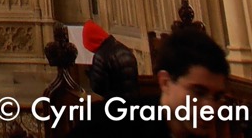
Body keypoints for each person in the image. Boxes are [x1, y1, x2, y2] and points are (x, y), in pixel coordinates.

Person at [68, 26, 230, 137]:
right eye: (198, 92)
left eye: (217, 97)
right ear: (165, 82)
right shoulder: (107, 124)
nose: (209, 108)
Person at [83, 19, 139, 101]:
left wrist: (91, 74)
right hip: (133, 100)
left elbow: (98, 88)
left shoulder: (101, 56)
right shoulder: (124, 48)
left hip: (114, 103)